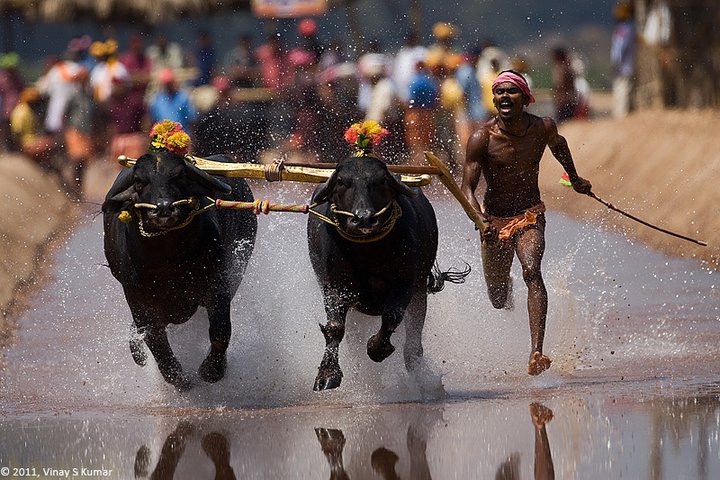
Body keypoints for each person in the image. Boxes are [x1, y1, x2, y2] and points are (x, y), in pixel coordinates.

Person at [460, 70, 592, 376]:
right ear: (493, 99)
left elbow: (559, 145)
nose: (504, 97)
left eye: (511, 92)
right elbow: (467, 188)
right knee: (497, 298)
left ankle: (536, 353)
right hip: (493, 222)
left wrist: (574, 178)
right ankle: (504, 293)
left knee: (532, 271)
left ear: (525, 97)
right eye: (499, 93)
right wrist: (480, 220)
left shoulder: (543, 127)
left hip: (529, 214)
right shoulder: (481, 137)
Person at [611, 1, 637, 118]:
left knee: (622, 91)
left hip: (623, 66)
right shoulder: (630, 28)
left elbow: (619, 48)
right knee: (624, 90)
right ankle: (622, 114)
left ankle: (620, 115)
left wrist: (616, 62)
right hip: (627, 66)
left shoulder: (624, 29)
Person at [550, 46, 577, 123]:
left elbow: (562, 85)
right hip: (563, 99)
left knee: (565, 122)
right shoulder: (564, 66)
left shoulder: (563, 68)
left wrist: (562, 97)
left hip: (564, 99)